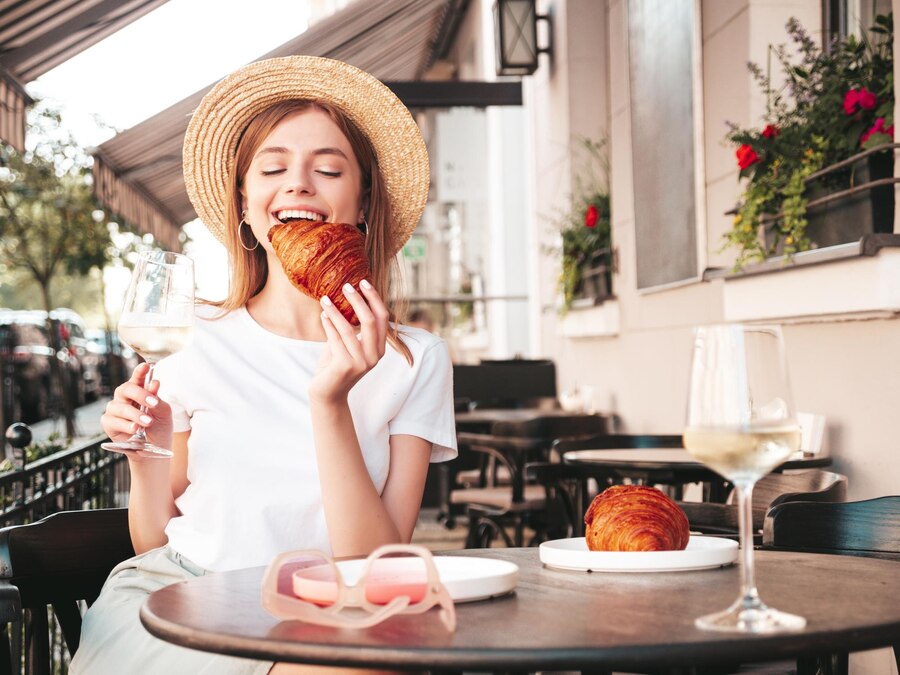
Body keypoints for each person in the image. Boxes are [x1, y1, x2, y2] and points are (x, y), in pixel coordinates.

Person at [70, 56, 457, 675]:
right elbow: (155, 544)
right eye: (273, 168)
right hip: (184, 603)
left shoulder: (415, 358)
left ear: (361, 205)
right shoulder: (191, 336)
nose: (300, 184)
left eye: (328, 169)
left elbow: (374, 561)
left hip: (333, 613)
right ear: (247, 207)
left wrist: (330, 404)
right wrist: (148, 454)